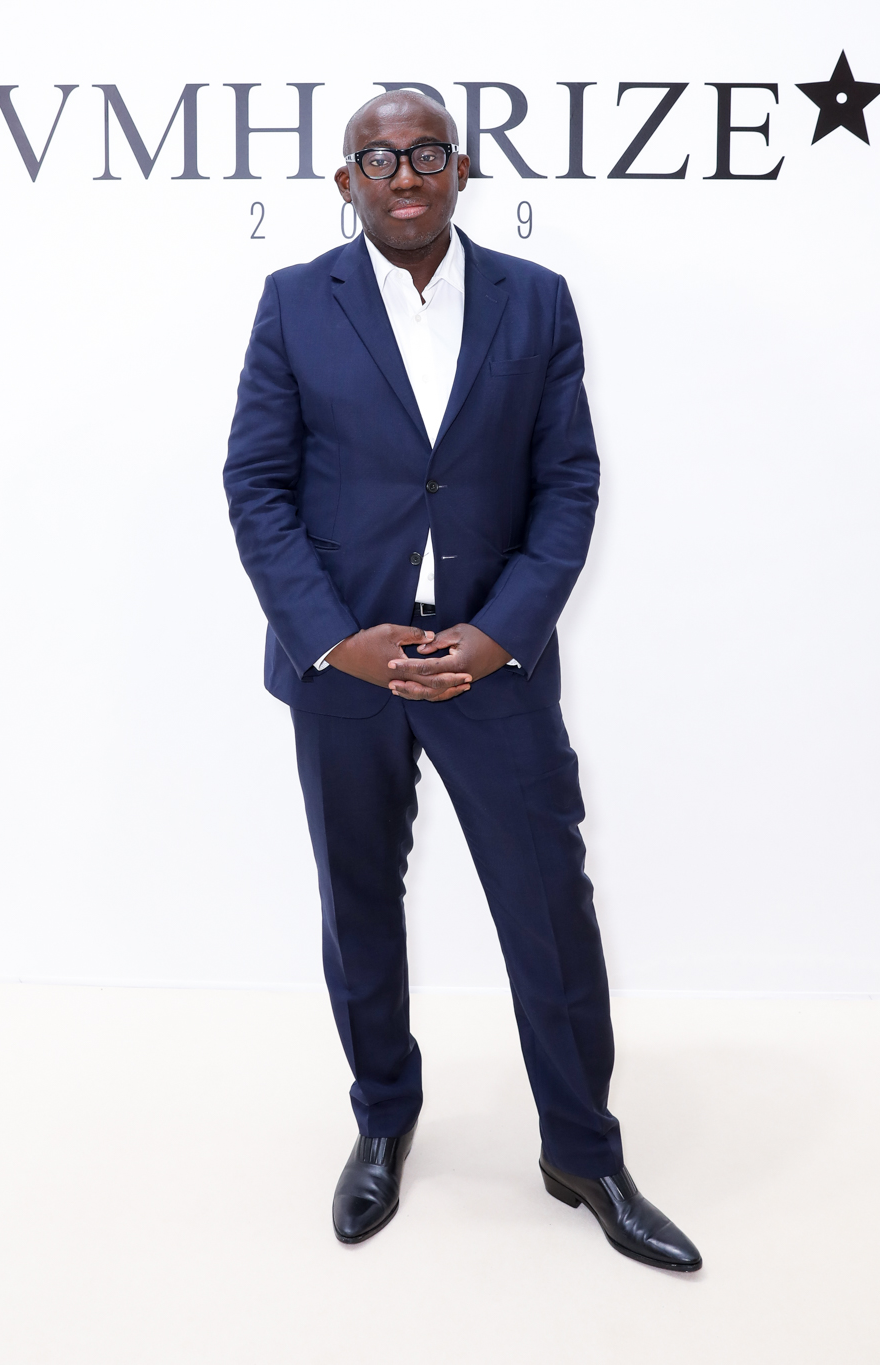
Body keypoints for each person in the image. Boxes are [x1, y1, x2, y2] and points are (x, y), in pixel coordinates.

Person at [223, 89, 701, 1271]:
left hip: (491, 662)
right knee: (358, 906)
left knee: (548, 907)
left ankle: (582, 1151)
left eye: (425, 152)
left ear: (461, 168)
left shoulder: (534, 301)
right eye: (379, 158)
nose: (405, 173)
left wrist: (501, 634)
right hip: (346, 668)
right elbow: (257, 486)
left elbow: (568, 484)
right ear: (347, 183)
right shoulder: (294, 302)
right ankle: (384, 1122)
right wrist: (335, 639)